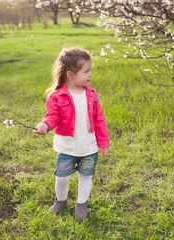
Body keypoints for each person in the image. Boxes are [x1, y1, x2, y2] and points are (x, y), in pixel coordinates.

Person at [33, 47, 109, 221]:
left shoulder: (91, 95)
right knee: (61, 177)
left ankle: (82, 204)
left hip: (88, 147)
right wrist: (45, 124)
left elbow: (99, 120)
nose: (90, 75)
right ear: (70, 74)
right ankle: (61, 201)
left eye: (90, 71)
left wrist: (103, 142)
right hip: (67, 147)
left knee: (86, 176)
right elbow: (52, 116)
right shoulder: (57, 96)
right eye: (86, 71)